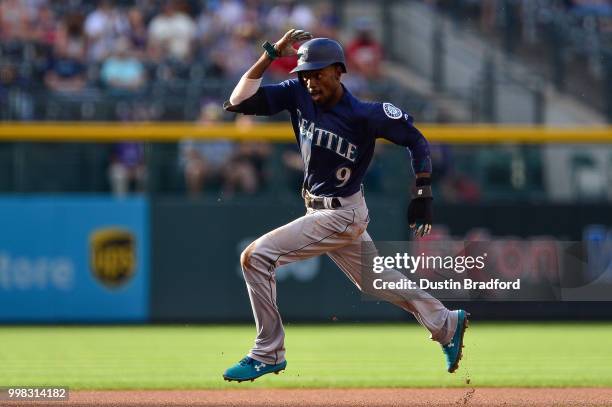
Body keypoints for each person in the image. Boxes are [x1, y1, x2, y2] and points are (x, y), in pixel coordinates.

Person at [221, 29, 469, 383]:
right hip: (320, 209)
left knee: (255, 257)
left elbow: (416, 139)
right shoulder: (297, 94)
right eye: (305, 74)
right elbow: (236, 101)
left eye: (317, 73)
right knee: (374, 282)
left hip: (341, 213)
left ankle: (268, 352)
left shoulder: (365, 114)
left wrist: (424, 192)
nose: (310, 82)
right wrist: (271, 55)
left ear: (338, 70)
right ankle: (445, 322)